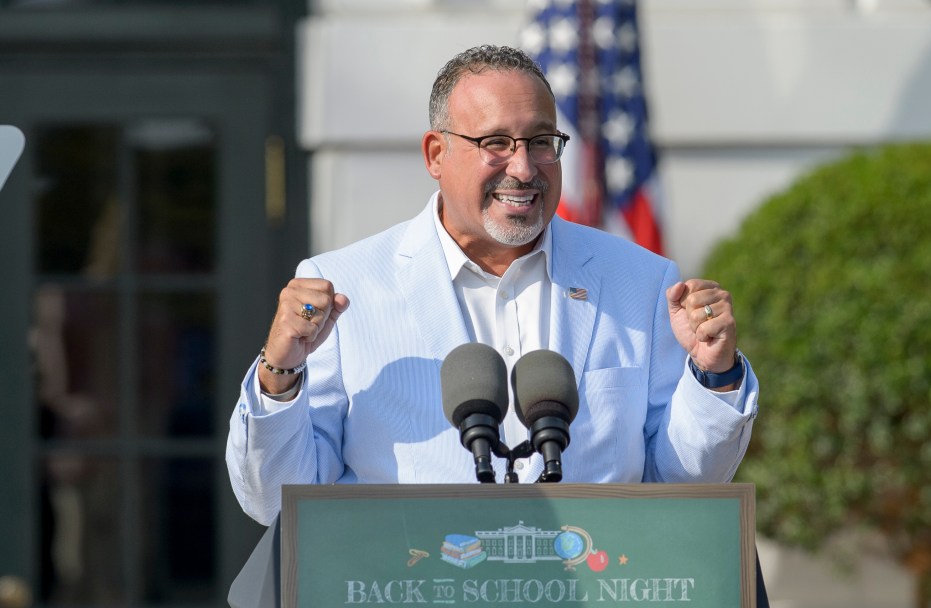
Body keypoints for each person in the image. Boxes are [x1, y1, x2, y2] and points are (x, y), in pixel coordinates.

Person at [226, 45, 758, 527]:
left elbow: (685, 484)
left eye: (541, 142)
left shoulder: (641, 282)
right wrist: (279, 375)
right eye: (496, 143)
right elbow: (275, 500)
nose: (524, 168)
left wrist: (714, 377)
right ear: (436, 154)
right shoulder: (345, 288)